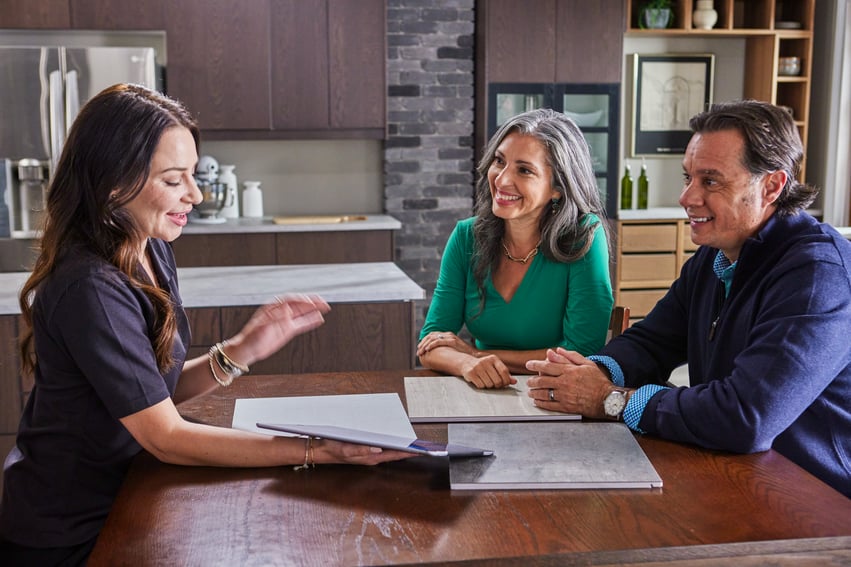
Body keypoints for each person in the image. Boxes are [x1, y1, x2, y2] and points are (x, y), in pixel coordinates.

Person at [0, 84, 412, 566]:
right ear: (114, 183)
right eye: (174, 180)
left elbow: (151, 396)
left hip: (133, 492)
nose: (195, 194)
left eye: (192, 175)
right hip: (69, 528)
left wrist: (240, 350)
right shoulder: (90, 287)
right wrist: (318, 450)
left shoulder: (149, 249)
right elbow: (165, 436)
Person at [526, 100, 851, 498]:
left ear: (771, 186)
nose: (686, 197)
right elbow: (652, 341)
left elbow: (744, 417)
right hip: (732, 476)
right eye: (688, 178)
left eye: (710, 181)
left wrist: (609, 400)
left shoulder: (818, 276)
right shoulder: (716, 255)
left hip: (815, 506)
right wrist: (589, 373)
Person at [417, 108, 614, 389]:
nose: (501, 179)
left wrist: (476, 354)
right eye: (499, 161)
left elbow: (580, 353)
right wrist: (467, 364)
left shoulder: (584, 237)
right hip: (481, 393)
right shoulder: (466, 237)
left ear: (557, 187)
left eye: (524, 170)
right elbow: (430, 344)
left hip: (557, 398)